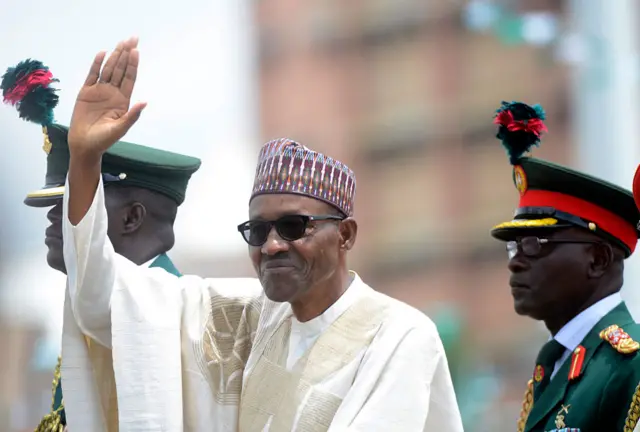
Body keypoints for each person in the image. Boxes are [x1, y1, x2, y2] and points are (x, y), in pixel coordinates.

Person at [59, 37, 463, 431]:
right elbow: (103, 300)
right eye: (257, 230)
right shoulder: (246, 320)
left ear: (345, 235)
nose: (272, 245)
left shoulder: (398, 337)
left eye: (293, 227)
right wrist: (84, 160)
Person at [1, 58, 201, 431]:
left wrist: (85, 156)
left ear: (131, 218)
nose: (52, 218)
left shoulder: (163, 311)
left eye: (76, 202)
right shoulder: (94, 307)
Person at [490, 100, 640, 432]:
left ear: (598, 259)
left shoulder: (631, 366)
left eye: (534, 244)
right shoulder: (556, 365)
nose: (515, 263)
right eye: (513, 247)